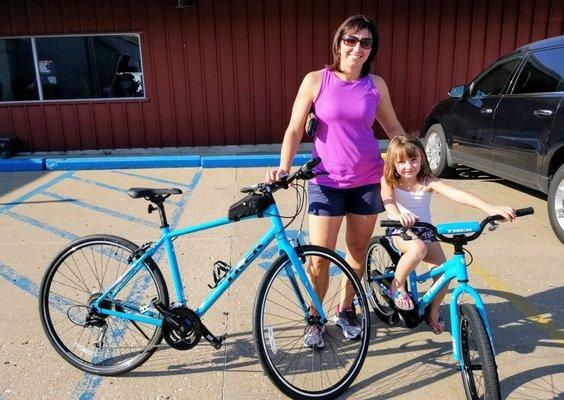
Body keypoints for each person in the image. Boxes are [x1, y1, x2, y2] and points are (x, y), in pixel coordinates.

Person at [266, 14, 405, 348]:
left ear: (372, 49)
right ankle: (315, 318)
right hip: (325, 182)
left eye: (366, 42)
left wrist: (413, 162)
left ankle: (345, 309)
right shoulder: (316, 80)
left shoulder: (376, 85)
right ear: (339, 42)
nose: (357, 48)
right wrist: (283, 166)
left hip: (368, 180)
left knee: (356, 251)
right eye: (351, 40)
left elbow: (394, 129)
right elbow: (294, 128)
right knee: (319, 258)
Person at [381, 135, 516, 334]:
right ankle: (397, 286)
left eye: (413, 160)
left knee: (444, 275)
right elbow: (387, 200)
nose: (408, 166)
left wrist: (490, 208)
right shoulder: (389, 181)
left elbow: (457, 194)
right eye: (401, 162)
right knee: (417, 248)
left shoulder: (428, 181)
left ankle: (433, 311)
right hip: (399, 229)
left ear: (422, 159)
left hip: (425, 231)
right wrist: (398, 215)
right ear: (393, 163)